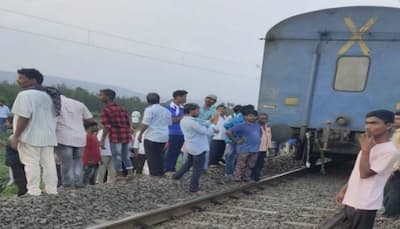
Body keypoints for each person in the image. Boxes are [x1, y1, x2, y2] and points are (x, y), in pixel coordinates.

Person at [335, 110, 399, 229]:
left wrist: (365, 151)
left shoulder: (390, 151)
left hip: (366, 203)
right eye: (367, 123)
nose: (368, 127)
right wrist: (345, 189)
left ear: (389, 125)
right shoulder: (368, 144)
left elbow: (365, 173)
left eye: (374, 123)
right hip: (352, 199)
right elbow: (356, 171)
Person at [10, 68, 59, 196]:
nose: (18, 80)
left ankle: (33, 191)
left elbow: (24, 117)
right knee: (48, 163)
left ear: (32, 80)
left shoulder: (25, 95)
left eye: (21, 78)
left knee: (31, 163)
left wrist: (16, 136)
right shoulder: (49, 96)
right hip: (48, 136)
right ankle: (51, 189)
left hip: (30, 135)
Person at [172, 103, 217, 194]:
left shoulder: (185, 120)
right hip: (199, 147)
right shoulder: (192, 122)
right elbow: (206, 132)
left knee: (189, 163)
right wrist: (213, 126)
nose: (199, 112)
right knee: (198, 168)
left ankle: (176, 176)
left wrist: (209, 122)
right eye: (197, 110)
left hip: (191, 146)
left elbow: (201, 122)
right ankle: (194, 188)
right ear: (191, 111)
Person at [55, 95, 93, 188]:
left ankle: (68, 183)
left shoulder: (55, 103)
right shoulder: (79, 104)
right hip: (80, 136)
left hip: (63, 136)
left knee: (66, 161)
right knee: (78, 160)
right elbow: (89, 119)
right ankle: (78, 181)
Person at [98, 89, 134, 181]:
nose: (99, 96)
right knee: (125, 155)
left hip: (115, 134)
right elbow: (128, 121)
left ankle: (119, 175)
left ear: (107, 97)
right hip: (125, 134)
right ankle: (130, 173)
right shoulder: (122, 108)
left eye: (101, 95)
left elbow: (107, 126)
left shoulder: (106, 110)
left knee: (116, 156)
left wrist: (102, 139)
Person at [138, 93, 171, 176]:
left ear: (148, 101)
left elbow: (145, 123)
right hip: (163, 136)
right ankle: (161, 173)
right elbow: (169, 123)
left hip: (152, 136)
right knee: (160, 156)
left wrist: (140, 134)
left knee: (152, 157)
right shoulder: (166, 110)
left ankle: (154, 175)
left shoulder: (149, 110)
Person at [226, 109, 261, 182]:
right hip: (243, 149)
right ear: (245, 117)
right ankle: (237, 177)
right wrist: (236, 141)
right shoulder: (241, 125)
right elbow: (228, 132)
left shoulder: (257, 125)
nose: (252, 117)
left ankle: (246, 177)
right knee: (241, 164)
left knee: (250, 165)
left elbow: (260, 133)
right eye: (250, 116)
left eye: (254, 116)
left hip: (255, 149)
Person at [165, 90, 188, 176]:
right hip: (172, 132)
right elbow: (171, 120)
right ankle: (168, 169)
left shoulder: (183, 108)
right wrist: (183, 117)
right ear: (178, 97)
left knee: (177, 151)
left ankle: (172, 168)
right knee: (171, 151)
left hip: (182, 133)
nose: (185, 99)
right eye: (184, 97)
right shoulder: (168, 108)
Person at [383, 110, 400, 217]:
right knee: (389, 190)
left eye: (398, 119)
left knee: (394, 191)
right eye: (395, 118)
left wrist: (394, 167)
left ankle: (391, 213)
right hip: (394, 167)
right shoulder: (397, 132)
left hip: (397, 168)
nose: (395, 121)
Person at [4, 117, 27, 197]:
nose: (5, 124)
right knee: (21, 177)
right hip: (18, 160)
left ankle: (22, 193)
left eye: (7, 122)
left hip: (15, 161)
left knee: (19, 178)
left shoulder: (13, 137)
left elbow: (16, 147)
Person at [197, 94, 218, 170]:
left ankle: (204, 168)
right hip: (196, 131)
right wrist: (207, 121)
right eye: (208, 98)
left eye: (211, 99)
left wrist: (203, 122)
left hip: (207, 132)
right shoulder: (198, 108)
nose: (209, 100)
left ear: (214, 102)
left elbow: (213, 123)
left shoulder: (215, 112)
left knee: (205, 150)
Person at [251, 113, 272, 181]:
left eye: (265, 118)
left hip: (264, 149)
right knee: (255, 163)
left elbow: (269, 137)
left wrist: (269, 147)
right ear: (258, 119)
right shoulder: (254, 126)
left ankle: (257, 175)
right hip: (256, 148)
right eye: (262, 118)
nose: (264, 120)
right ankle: (254, 177)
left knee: (261, 163)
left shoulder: (267, 126)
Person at [82, 121, 101, 185]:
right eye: (95, 126)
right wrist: (89, 160)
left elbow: (97, 149)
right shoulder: (86, 136)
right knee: (86, 177)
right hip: (89, 161)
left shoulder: (94, 136)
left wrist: (99, 159)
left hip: (95, 161)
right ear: (90, 127)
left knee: (92, 178)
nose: (97, 128)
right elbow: (85, 149)